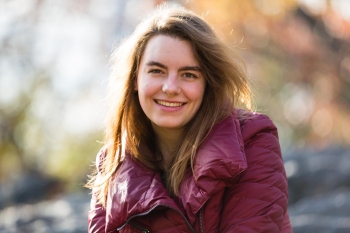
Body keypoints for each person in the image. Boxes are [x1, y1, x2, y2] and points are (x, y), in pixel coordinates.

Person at [87, 4, 292, 233]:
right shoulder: (112, 163)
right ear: (135, 79)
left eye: (188, 75)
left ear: (208, 84)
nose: (171, 87)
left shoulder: (253, 140)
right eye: (157, 71)